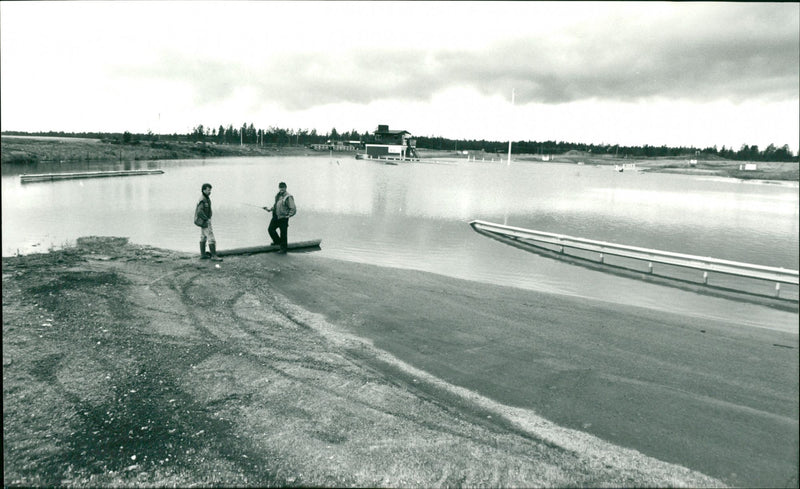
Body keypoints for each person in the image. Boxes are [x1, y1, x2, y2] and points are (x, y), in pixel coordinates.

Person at [263, 181, 296, 254]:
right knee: (270, 229)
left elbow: (293, 208)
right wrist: (268, 209)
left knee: (283, 233)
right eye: (280, 188)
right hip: (276, 216)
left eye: (283, 188)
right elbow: (275, 206)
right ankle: (277, 242)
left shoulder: (288, 197)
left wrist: (289, 215)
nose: (281, 189)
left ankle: (283, 249)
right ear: (279, 188)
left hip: (283, 217)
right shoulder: (278, 195)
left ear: (285, 188)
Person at [195, 183, 223, 261]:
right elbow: (199, 212)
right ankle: (214, 256)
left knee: (203, 237)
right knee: (211, 238)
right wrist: (206, 219)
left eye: (210, 190)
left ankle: (203, 255)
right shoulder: (203, 199)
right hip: (205, 221)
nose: (210, 191)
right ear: (204, 190)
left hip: (203, 221)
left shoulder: (205, 198)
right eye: (208, 190)